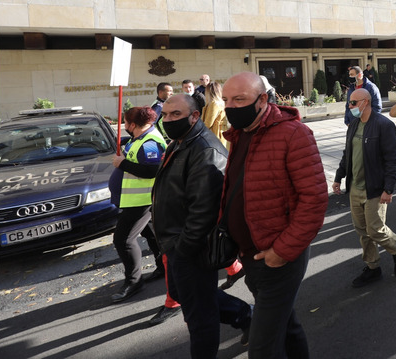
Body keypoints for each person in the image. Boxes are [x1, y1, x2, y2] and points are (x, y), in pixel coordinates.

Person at [220, 72, 328, 358]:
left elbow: (314, 199)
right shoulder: (241, 135)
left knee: (262, 347)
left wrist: (281, 251)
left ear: (263, 100)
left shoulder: (293, 134)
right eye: (226, 100)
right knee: (286, 325)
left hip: (278, 257)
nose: (231, 107)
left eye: (239, 99)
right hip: (250, 255)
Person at [150, 94, 252, 358]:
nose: (168, 120)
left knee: (200, 319)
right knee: (188, 296)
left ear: (195, 116)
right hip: (174, 244)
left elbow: (203, 212)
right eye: (165, 114)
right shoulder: (179, 143)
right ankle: (244, 315)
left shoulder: (205, 150)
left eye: (176, 115)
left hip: (190, 249)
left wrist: (182, 250)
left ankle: (244, 318)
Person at [333, 89, 396, 288]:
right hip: (355, 188)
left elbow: (392, 160)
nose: (350, 107)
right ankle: (373, 267)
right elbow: (347, 154)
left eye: (353, 103)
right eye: (349, 103)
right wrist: (338, 177)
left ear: (365, 102)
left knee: (375, 230)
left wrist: (389, 189)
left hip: (375, 189)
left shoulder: (383, 125)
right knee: (362, 231)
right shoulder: (354, 126)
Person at [109, 106, 166, 304]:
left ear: (133, 124)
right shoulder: (141, 137)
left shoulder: (150, 142)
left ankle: (134, 282)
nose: (124, 126)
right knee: (150, 233)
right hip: (138, 200)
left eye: (125, 123)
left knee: (123, 240)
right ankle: (163, 267)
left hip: (141, 201)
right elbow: (135, 150)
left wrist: (121, 164)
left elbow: (152, 170)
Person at [201, 81, 229, 148]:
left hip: (215, 136)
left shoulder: (214, 104)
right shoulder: (221, 102)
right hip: (219, 135)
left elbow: (208, 123)